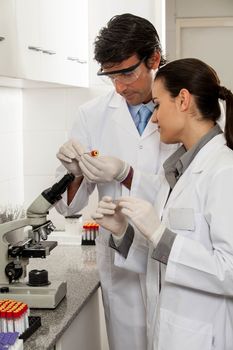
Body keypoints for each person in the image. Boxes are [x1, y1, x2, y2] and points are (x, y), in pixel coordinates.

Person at [92, 58, 233, 350]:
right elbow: (163, 261)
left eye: (157, 105)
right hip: (170, 333)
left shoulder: (224, 171)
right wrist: (122, 232)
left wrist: (159, 234)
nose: (154, 119)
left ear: (182, 100)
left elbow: (229, 272)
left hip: (204, 337)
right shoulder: (177, 172)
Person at [55, 13, 177, 350]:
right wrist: (75, 173)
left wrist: (126, 172)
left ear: (153, 59)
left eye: (128, 73)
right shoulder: (91, 115)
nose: (120, 87)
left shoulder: (180, 107)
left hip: (170, 260)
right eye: (112, 77)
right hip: (120, 263)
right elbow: (69, 205)